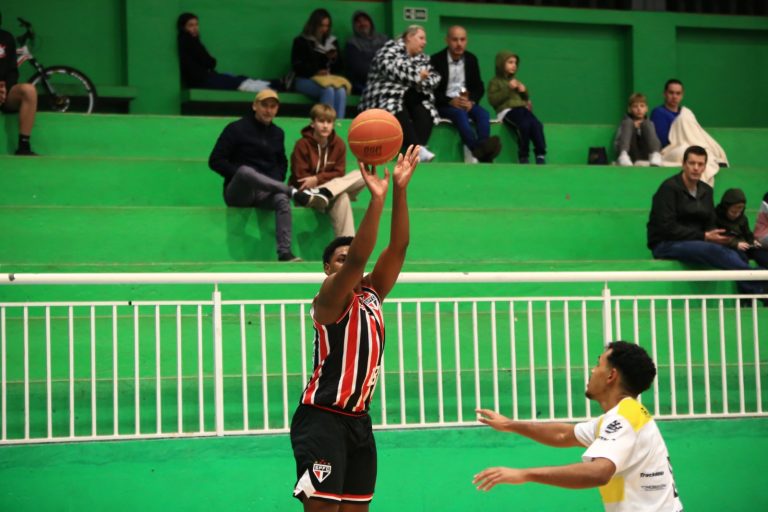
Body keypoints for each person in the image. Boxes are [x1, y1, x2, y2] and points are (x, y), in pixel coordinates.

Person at [290, 146, 419, 510]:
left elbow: (399, 246)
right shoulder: (329, 298)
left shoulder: (372, 293)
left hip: (359, 421)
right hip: (322, 419)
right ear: (328, 269)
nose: (349, 263)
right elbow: (359, 258)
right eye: (340, 259)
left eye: (350, 258)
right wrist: (376, 200)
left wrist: (399, 190)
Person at [474, 340, 684, 512]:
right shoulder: (622, 416)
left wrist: (525, 474)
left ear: (611, 375)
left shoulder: (625, 418)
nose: (593, 370)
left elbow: (598, 473)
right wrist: (509, 424)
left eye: (598, 365)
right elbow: (563, 435)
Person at [208, 89, 328, 262]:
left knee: (281, 199)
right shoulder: (236, 128)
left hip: (265, 192)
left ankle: (284, 253)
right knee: (246, 171)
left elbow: (282, 163)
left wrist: (271, 181)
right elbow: (215, 160)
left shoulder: (278, 133)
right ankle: (292, 191)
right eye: (264, 105)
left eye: (273, 106)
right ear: (254, 106)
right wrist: (242, 176)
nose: (268, 110)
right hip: (239, 192)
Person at [646, 145, 765, 298]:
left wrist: (719, 238)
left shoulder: (706, 190)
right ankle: (761, 281)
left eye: (700, 164)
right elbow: (666, 227)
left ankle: (752, 293)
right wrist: (703, 236)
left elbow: (710, 223)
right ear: (683, 164)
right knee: (712, 250)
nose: (696, 168)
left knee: (738, 254)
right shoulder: (669, 188)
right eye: (692, 163)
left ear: (704, 167)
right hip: (666, 243)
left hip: (698, 241)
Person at [360, 25, 441, 163]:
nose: (425, 42)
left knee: (425, 109)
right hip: (382, 96)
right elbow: (392, 69)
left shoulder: (422, 58)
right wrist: (418, 76)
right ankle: (416, 150)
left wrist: (417, 78)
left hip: (409, 96)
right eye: (421, 38)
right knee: (396, 104)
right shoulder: (389, 49)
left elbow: (435, 78)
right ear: (409, 37)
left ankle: (417, 149)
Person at [289, 103, 365, 237]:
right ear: (312, 124)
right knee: (342, 196)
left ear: (333, 125)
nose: (325, 126)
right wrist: (322, 181)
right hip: (307, 196)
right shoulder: (302, 145)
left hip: (328, 193)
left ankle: (346, 246)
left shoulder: (339, 144)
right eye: (321, 121)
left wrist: (317, 178)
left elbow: (340, 173)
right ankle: (322, 194)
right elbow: (301, 178)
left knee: (364, 175)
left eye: (329, 122)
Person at [430, 26, 501, 164]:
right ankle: (477, 150)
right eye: (455, 40)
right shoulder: (436, 60)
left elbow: (479, 86)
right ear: (447, 40)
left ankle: (483, 146)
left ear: (466, 41)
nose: (459, 44)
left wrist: (471, 101)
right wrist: (450, 101)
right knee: (460, 115)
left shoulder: (471, 59)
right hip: (445, 105)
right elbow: (431, 90)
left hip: (466, 102)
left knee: (483, 114)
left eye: (462, 40)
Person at [650, 79, 728, 185]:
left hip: (690, 144)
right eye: (671, 93)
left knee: (701, 151)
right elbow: (663, 140)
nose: (674, 96)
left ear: (682, 95)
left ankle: (711, 162)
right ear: (665, 94)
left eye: (678, 93)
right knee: (687, 151)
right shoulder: (658, 112)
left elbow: (695, 133)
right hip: (670, 150)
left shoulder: (686, 113)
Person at [176, 13, 270, 92]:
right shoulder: (189, 41)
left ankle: (271, 85)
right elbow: (210, 62)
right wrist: (210, 59)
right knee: (238, 81)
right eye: (191, 25)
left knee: (238, 78)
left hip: (204, 78)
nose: (195, 28)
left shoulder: (190, 41)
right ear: (183, 27)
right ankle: (272, 86)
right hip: (203, 81)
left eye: (196, 24)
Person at [487, 51, 546, 164]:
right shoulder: (494, 82)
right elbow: (493, 100)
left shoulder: (515, 80)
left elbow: (525, 98)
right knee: (524, 125)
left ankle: (540, 154)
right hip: (507, 111)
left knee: (537, 124)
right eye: (510, 62)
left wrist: (524, 91)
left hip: (521, 109)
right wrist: (508, 88)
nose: (514, 65)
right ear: (501, 64)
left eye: (515, 63)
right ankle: (523, 156)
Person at [291, 9, 348, 119]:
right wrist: (316, 71)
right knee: (328, 90)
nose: (324, 29)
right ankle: (325, 122)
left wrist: (333, 59)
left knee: (341, 91)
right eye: (321, 26)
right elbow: (297, 66)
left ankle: (339, 124)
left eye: (327, 26)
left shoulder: (332, 41)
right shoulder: (301, 41)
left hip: (327, 79)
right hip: (305, 79)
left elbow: (340, 68)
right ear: (314, 25)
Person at [0, 11, 38, 156]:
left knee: (29, 90)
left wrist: (5, 89)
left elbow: (12, 71)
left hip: (4, 92)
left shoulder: (6, 38)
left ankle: (23, 147)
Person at [714, 188, 768, 270]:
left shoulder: (742, 218)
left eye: (740, 212)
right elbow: (717, 238)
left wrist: (753, 241)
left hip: (744, 245)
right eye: (733, 212)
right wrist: (736, 244)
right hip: (729, 246)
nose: (737, 214)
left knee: (761, 253)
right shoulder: (716, 217)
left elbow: (747, 233)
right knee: (741, 257)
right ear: (726, 207)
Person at [344, 11, 388, 95]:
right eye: (358, 21)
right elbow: (358, 68)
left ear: (370, 22)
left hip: (384, 81)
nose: (362, 24)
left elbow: (390, 60)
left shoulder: (383, 39)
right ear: (354, 25)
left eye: (365, 20)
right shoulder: (352, 43)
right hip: (362, 84)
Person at [614, 93, 661, 167]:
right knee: (628, 122)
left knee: (647, 123)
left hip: (647, 157)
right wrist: (634, 128)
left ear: (646, 108)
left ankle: (656, 154)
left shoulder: (649, 124)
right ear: (630, 109)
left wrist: (640, 129)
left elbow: (655, 140)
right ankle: (623, 155)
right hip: (629, 157)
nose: (639, 109)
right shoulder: (625, 123)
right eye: (635, 106)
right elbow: (617, 144)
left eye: (642, 106)